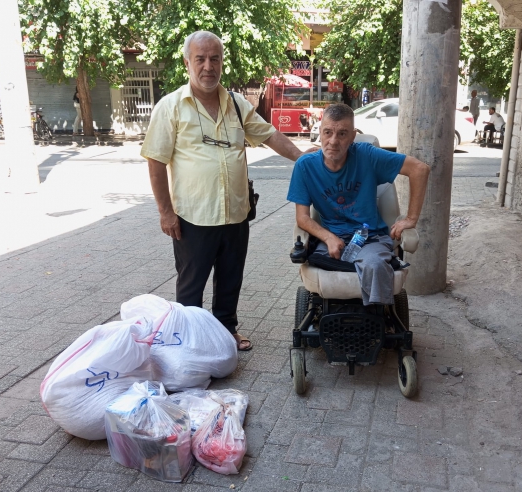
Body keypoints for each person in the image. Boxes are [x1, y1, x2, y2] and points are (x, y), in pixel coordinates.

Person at [140, 30, 315, 351]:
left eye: (215, 58)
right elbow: (155, 161)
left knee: (231, 278)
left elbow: (270, 136)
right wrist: (165, 212)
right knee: (191, 285)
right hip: (192, 216)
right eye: (201, 59)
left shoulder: (236, 104)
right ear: (187, 62)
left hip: (236, 212)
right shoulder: (171, 107)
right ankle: (189, 341)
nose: (208, 66)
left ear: (222, 62)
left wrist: (304, 160)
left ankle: (226, 330)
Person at [287, 103, 430, 305]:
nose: (333, 141)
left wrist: (411, 219)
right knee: (315, 261)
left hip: (369, 237)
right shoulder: (305, 166)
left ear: (353, 136)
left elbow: (420, 169)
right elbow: (302, 218)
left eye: (342, 134)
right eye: (327, 132)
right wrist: (328, 238)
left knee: (374, 265)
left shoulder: (367, 155)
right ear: (320, 132)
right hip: (331, 239)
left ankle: (374, 319)